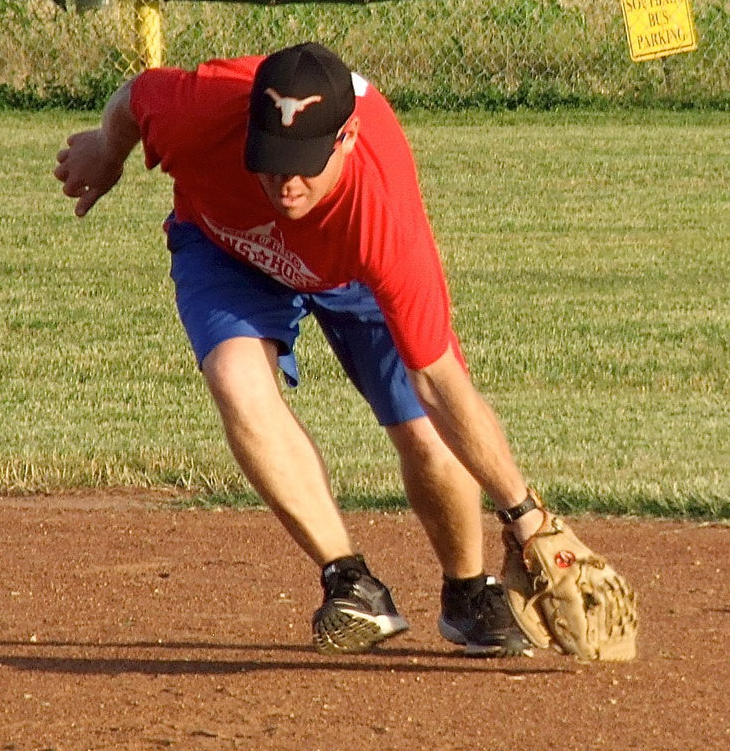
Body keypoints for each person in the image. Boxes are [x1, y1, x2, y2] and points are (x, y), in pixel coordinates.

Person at [54, 41, 547, 658]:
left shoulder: (382, 212)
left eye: (305, 161)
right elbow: (134, 96)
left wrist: (525, 518)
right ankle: (350, 581)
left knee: (422, 429)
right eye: (271, 157)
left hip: (350, 267)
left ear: (346, 138)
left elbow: (440, 381)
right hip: (228, 246)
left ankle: (470, 594)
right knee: (236, 379)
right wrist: (107, 151)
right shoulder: (204, 109)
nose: (286, 180)